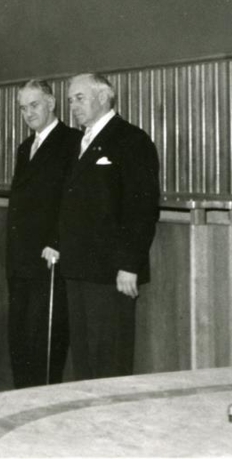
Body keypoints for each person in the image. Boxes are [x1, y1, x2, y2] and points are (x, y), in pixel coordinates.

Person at [59, 73, 160, 381]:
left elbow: (142, 209)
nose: (73, 106)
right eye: (71, 100)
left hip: (111, 272)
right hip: (78, 267)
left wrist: (129, 264)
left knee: (110, 357)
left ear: (104, 96)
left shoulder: (131, 139)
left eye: (80, 98)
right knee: (84, 355)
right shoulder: (80, 142)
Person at [6, 79, 78, 388]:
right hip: (21, 256)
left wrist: (57, 241)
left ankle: (42, 397)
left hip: (50, 255)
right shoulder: (26, 147)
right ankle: (23, 395)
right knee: (21, 332)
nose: (28, 113)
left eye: (34, 105)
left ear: (51, 103)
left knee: (46, 335)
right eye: (23, 108)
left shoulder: (72, 141)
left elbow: (73, 200)